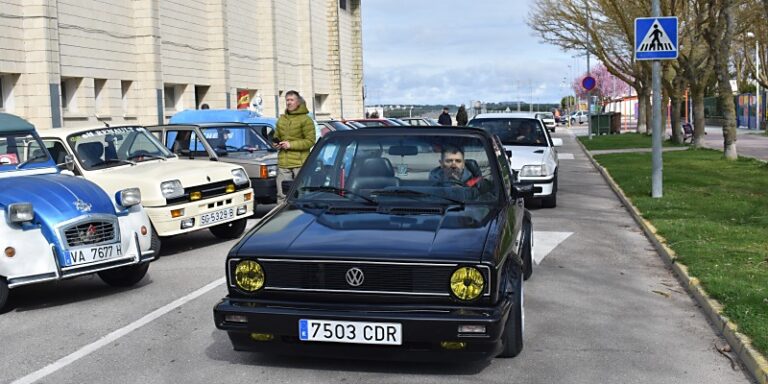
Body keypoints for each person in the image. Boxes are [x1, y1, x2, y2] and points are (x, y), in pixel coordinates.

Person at [274, 90, 316, 203]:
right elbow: (276, 135)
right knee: (282, 196)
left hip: (300, 164)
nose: (289, 102)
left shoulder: (306, 119)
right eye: (287, 100)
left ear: (298, 102)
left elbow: (310, 141)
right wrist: (276, 144)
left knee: (301, 195)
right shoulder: (281, 119)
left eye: (291, 100)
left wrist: (290, 145)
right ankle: (282, 219)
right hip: (284, 163)